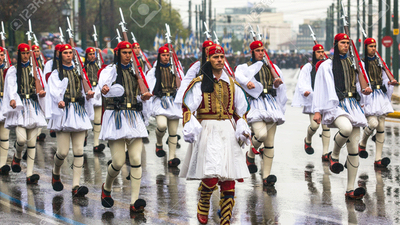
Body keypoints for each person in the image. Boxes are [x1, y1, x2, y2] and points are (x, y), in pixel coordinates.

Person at [180, 45, 251, 225]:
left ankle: (225, 219)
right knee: (211, 175)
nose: (219, 60)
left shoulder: (232, 84)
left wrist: (242, 126)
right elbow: (188, 107)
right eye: (215, 57)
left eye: (221, 56)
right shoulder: (199, 82)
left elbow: (240, 110)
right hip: (208, 129)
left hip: (227, 130)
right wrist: (189, 125)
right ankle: (204, 200)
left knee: (228, 178)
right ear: (209, 60)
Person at [312, 33, 372, 200]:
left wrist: (365, 90)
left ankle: (350, 189)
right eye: (342, 43)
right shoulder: (327, 65)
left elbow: (360, 84)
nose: (345, 45)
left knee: (353, 149)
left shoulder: (355, 64)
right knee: (345, 128)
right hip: (336, 105)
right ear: (336, 44)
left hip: (353, 105)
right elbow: (320, 88)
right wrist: (317, 110)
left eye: (347, 43)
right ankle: (335, 155)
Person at [99, 41, 152, 213]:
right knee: (118, 161)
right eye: (125, 52)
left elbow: (142, 92)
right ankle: (106, 188)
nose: (128, 55)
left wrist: (144, 97)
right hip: (116, 117)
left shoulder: (137, 71)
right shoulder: (110, 70)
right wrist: (105, 88)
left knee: (136, 159)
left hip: (134, 117)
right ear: (118, 53)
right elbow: (103, 85)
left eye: (130, 52)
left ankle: (134, 202)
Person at [235, 40, 286, 189]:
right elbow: (238, 76)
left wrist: (277, 83)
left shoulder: (272, 67)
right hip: (255, 104)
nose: (261, 53)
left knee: (269, 142)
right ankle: (250, 154)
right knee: (261, 134)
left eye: (263, 50)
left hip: (270, 103)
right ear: (252, 52)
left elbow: (280, 87)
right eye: (258, 51)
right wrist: (247, 82)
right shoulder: (244, 67)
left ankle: (266, 177)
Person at [47, 44, 95, 196]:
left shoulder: (80, 70)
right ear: (61, 55)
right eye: (65, 53)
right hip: (64, 112)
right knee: (62, 152)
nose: (68, 55)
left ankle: (76, 185)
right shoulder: (56, 73)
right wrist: (58, 101)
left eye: (70, 53)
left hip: (78, 111)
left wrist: (89, 95)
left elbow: (85, 87)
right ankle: (56, 172)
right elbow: (53, 91)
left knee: (79, 150)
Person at [2, 43, 47, 183]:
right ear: (19, 54)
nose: (26, 56)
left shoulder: (36, 70)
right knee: (21, 139)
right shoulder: (13, 70)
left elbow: (42, 85)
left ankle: (29, 174)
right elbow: (11, 87)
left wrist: (42, 92)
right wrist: (13, 99)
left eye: (28, 53)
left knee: (32, 143)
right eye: (23, 53)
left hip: (33, 105)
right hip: (21, 106)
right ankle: (17, 156)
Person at [359, 38, 398, 167]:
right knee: (373, 123)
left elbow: (385, 78)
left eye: (374, 46)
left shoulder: (380, 62)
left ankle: (378, 159)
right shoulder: (362, 64)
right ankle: (362, 143)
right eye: (370, 46)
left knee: (381, 127)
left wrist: (390, 82)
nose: (373, 48)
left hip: (380, 96)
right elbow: (359, 82)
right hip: (369, 97)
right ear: (366, 48)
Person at [292, 44, 331, 160]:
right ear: (314, 54)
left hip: (326, 100)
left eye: (322, 52)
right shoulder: (308, 67)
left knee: (326, 127)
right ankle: (308, 139)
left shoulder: (328, 66)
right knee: (315, 125)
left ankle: (325, 153)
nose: (321, 54)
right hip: (314, 100)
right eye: (318, 52)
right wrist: (305, 91)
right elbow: (302, 82)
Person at [146, 46, 183, 167]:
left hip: (173, 101)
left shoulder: (176, 69)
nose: (166, 57)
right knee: (161, 125)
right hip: (160, 101)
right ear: (159, 56)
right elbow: (149, 86)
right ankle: (159, 143)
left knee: (173, 132)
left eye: (168, 55)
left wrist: (177, 73)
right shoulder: (154, 71)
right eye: (163, 55)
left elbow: (181, 85)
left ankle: (172, 157)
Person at [84, 47, 104, 152]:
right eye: (90, 54)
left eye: (93, 54)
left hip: (97, 91)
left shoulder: (98, 65)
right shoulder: (84, 67)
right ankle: (85, 135)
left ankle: (96, 144)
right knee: (86, 117)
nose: (92, 56)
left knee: (97, 120)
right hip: (88, 91)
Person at [0, 47, 10, 175]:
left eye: (2, 55)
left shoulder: (8, 71)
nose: (0, 57)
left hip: (4, 103)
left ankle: (2, 164)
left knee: (4, 136)